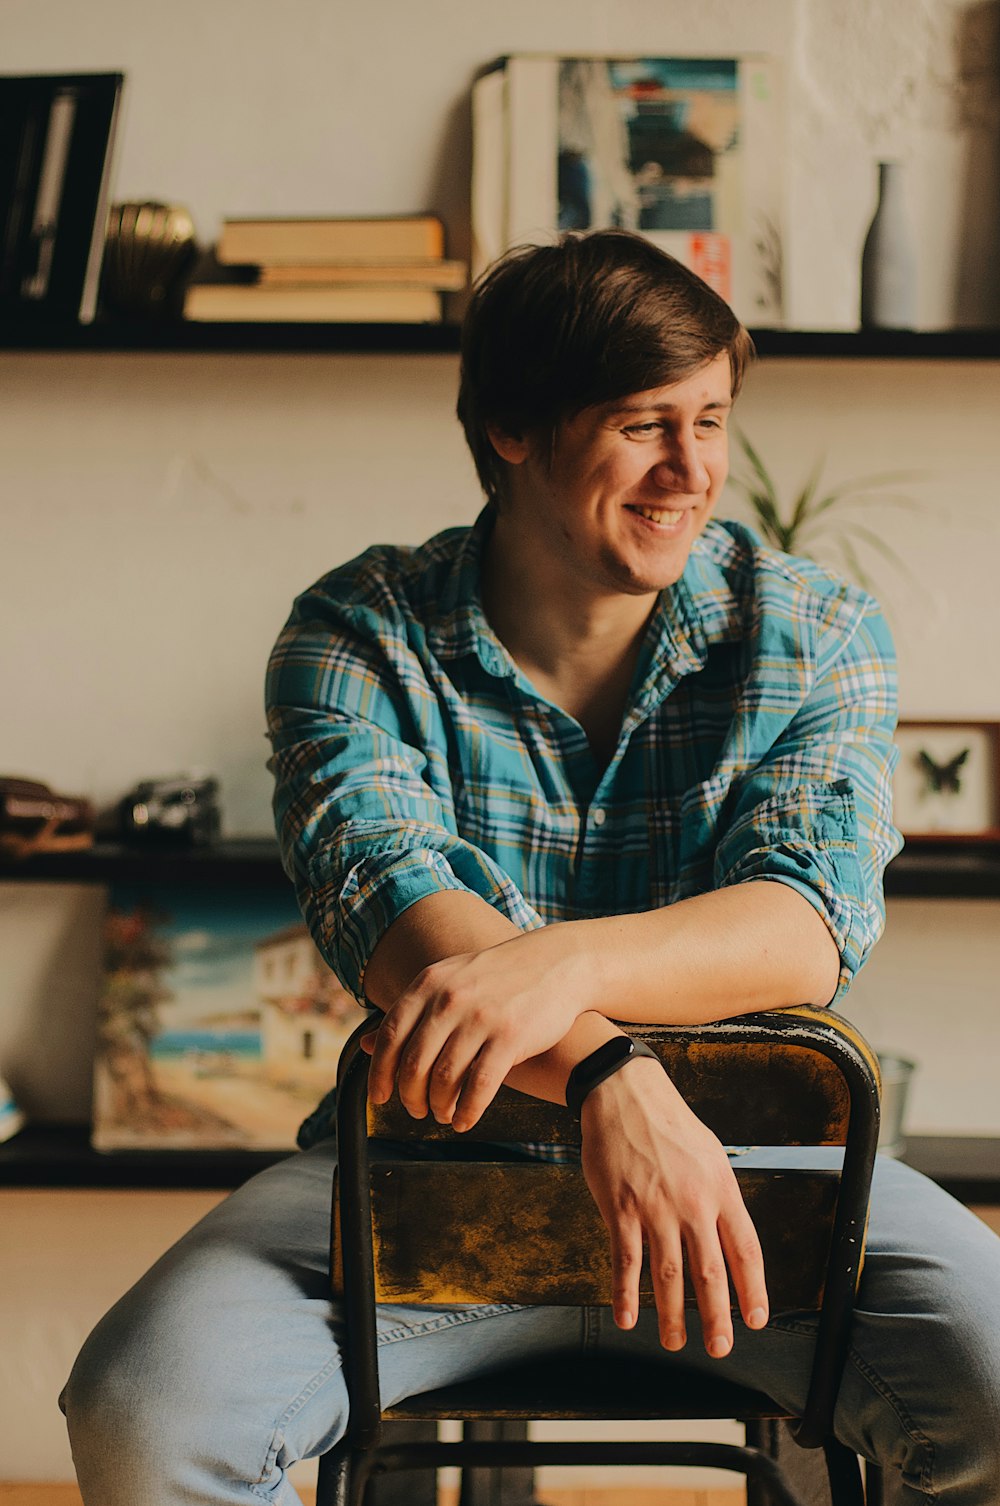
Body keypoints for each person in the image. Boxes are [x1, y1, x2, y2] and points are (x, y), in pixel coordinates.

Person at [63, 231, 1000, 1505]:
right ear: (511, 427)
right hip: (415, 1184)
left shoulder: (815, 629)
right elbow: (398, 919)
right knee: (143, 1410)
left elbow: (805, 924)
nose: (691, 471)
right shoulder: (356, 634)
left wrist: (557, 972)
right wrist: (612, 1072)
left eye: (711, 421)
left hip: (762, 1187)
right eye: (641, 426)